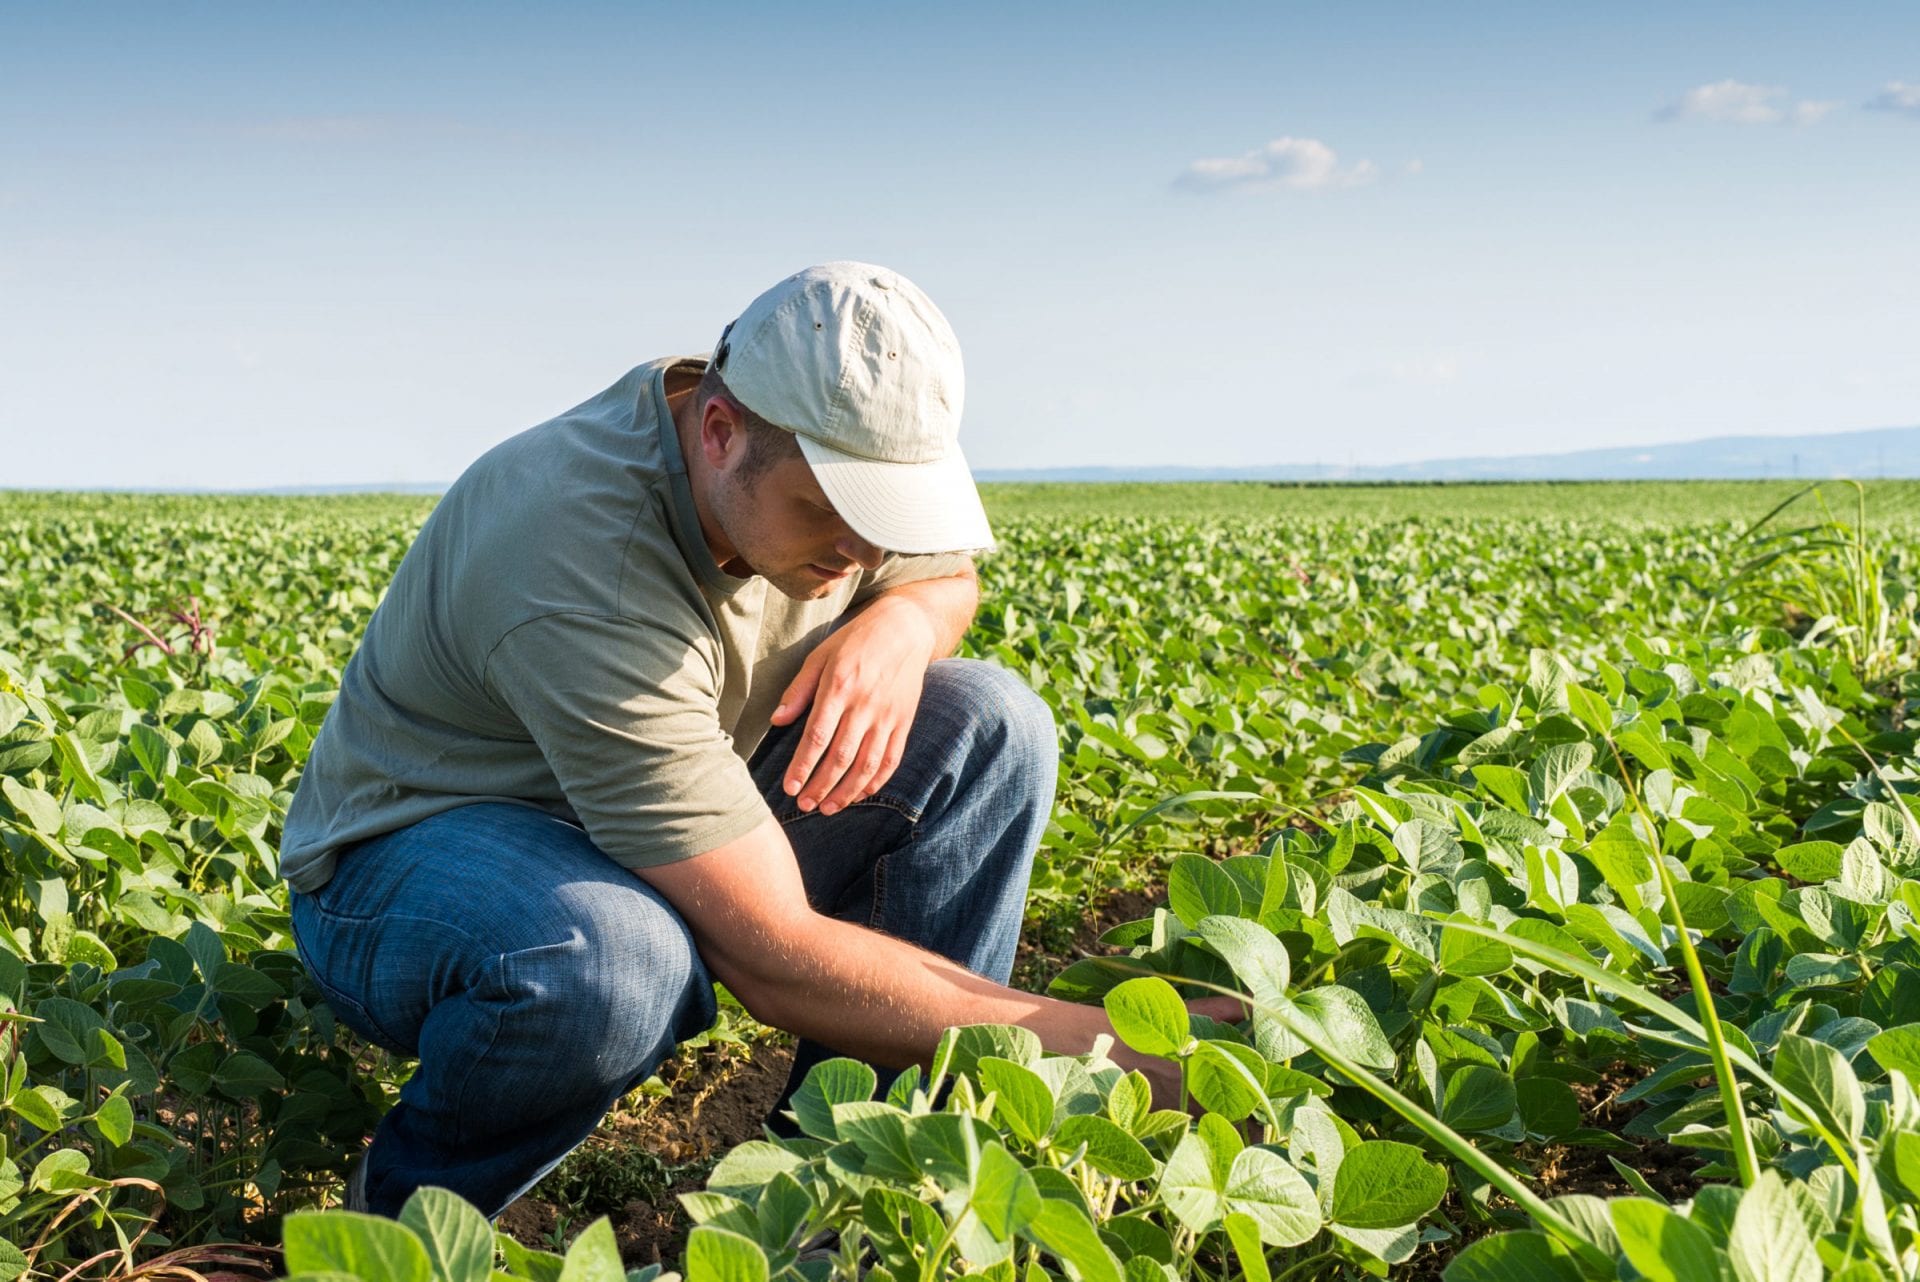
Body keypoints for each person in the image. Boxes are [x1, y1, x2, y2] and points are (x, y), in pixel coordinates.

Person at [281, 262, 1221, 1219]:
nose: (865, 552)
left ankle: (857, 1194)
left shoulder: (810, 444)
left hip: (657, 817)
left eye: (888, 516)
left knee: (990, 723)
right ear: (720, 432)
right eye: (834, 511)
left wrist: (902, 625)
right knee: (614, 962)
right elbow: (775, 955)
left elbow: (946, 578)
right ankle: (393, 1223)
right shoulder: (578, 557)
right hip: (419, 863)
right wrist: (1116, 1054)